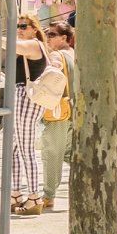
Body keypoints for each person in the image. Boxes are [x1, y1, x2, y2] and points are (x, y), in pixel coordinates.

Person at [10, 16, 49, 216]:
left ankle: (34, 197)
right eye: (17, 26)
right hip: (22, 96)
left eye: (23, 26)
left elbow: (13, 45)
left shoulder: (34, 45)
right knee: (14, 149)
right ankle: (16, 193)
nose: (19, 29)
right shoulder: (32, 45)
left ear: (34, 29)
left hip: (28, 98)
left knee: (26, 150)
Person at [38, 21, 76, 212]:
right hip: (74, 110)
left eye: (52, 35)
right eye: (47, 34)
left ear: (64, 38)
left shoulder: (56, 54)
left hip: (58, 111)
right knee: (72, 153)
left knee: (51, 153)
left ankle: (48, 196)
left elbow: (53, 68)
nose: (48, 38)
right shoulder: (74, 53)